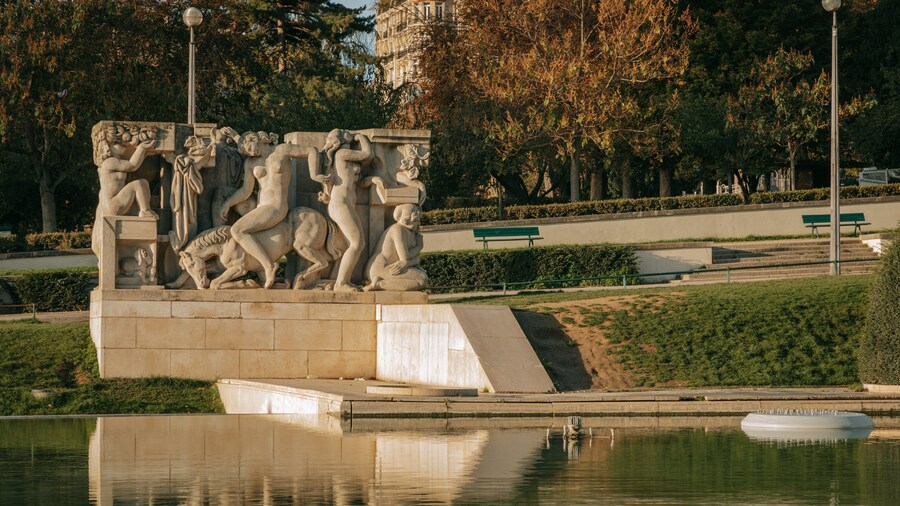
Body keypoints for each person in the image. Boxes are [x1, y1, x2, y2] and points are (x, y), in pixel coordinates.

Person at [219, 133, 309, 288]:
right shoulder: (250, 162)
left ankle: (269, 266)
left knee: (238, 230)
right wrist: (228, 203)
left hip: (276, 206)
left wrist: (317, 176)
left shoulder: (282, 150)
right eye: (245, 151)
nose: (248, 152)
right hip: (261, 207)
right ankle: (261, 271)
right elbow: (246, 191)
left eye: (247, 148)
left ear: (254, 140)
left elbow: (311, 151)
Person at [309, 129, 384, 291]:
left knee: (355, 244)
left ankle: (343, 281)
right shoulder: (342, 154)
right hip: (340, 204)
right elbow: (367, 154)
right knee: (357, 243)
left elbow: (359, 184)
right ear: (340, 139)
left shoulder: (347, 160)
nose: (347, 132)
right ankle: (341, 283)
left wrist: (374, 180)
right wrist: (361, 137)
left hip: (346, 204)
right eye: (343, 131)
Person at [363, 203, 427, 292]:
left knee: (422, 277)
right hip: (382, 268)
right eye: (415, 220)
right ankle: (378, 284)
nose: (417, 223)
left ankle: (379, 283)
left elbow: (414, 259)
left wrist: (407, 263)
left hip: (393, 268)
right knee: (421, 279)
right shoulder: (398, 229)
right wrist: (419, 246)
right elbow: (405, 257)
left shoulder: (409, 232)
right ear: (406, 217)